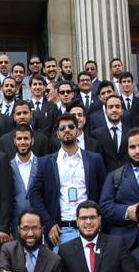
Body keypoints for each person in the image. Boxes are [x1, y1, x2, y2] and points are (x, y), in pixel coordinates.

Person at [27, 113, 106, 247]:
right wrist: (48, 223)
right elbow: (34, 194)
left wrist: (99, 220)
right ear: (57, 134)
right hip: (60, 231)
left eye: (71, 127)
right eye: (62, 128)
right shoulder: (46, 162)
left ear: (78, 130)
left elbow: (104, 192)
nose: (67, 130)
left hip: (90, 227)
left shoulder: (94, 159)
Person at [7, 124, 38, 236]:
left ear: (32, 141)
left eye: (26, 138)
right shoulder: (7, 166)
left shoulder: (42, 164)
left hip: (38, 224)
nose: (23, 142)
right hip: (15, 225)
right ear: (14, 141)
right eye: (19, 138)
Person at [87, 94, 129, 172]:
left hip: (127, 176)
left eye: (117, 106)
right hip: (105, 177)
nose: (114, 110)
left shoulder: (130, 133)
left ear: (122, 111)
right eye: (110, 107)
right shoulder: (96, 135)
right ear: (105, 112)